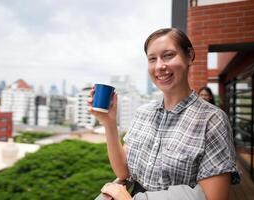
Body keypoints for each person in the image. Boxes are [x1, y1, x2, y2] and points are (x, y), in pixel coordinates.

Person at [88, 28, 239, 200]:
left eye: (168, 55)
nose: (159, 66)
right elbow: (124, 172)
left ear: (189, 56)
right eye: (152, 59)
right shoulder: (143, 113)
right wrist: (109, 123)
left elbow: (215, 197)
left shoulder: (212, 119)